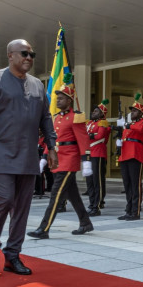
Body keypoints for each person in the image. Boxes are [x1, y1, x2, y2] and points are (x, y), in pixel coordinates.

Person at [0, 39, 57, 276]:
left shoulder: (38, 85)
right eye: (24, 53)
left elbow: (45, 119)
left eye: (32, 53)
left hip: (28, 155)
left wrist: (51, 147)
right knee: (4, 199)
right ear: (10, 55)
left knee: (22, 207)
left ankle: (12, 255)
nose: (29, 57)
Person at [27, 79, 93, 239]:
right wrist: (44, 157)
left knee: (55, 196)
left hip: (68, 161)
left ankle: (44, 229)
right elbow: (52, 140)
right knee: (73, 195)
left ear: (69, 100)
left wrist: (86, 160)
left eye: (61, 98)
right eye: (57, 98)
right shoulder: (56, 118)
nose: (57, 100)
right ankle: (86, 223)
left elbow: (83, 139)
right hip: (57, 160)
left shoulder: (76, 117)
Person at [117, 93, 143, 220]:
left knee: (136, 185)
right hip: (125, 155)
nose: (133, 112)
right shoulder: (129, 125)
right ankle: (128, 209)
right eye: (132, 110)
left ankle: (135, 212)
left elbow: (140, 129)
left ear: (141, 113)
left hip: (135, 155)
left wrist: (125, 125)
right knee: (127, 185)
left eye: (135, 110)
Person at [86, 99, 111, 216]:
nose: (93, 112)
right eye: (94, 110)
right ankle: (92, 203)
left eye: (96, 111)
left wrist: (90, 135)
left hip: (98, 153)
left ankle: (97, 204)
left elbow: (100, 136)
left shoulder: (103, 122)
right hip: (89, 153)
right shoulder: (90, 123)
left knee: (98, 180)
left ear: (102, 114)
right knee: (89, 181)